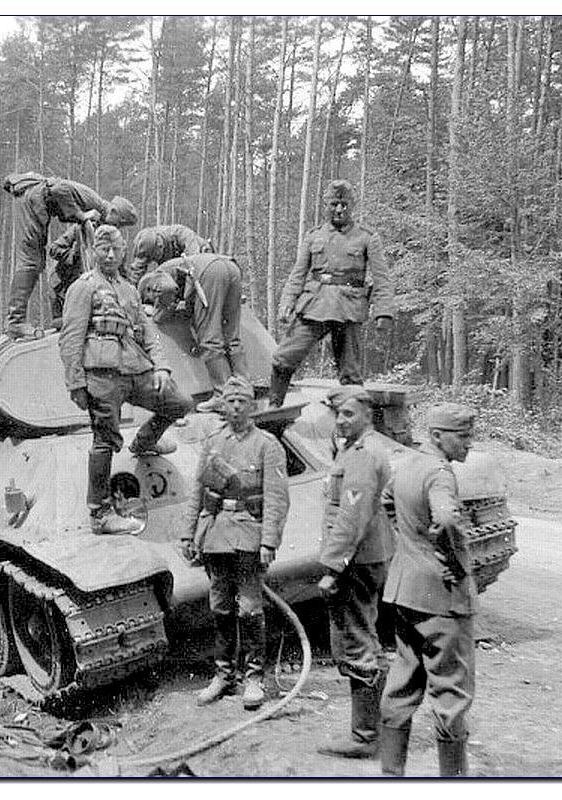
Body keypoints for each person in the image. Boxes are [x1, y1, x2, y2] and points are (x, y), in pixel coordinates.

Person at [59, 224, 192, 535]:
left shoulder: (129, 289)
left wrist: (161, 367)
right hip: (101, 374)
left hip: (135, 368)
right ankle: (100, 514)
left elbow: (148, 332)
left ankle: (145, 442)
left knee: (179, 403)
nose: (110, 255)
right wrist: (76, 383)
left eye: (116, 250)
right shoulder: (83, 287)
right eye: (104, 249)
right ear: (94, 252)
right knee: (104, 440)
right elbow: (71, 338)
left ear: (123, 253)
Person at [379, 403, 479, 776]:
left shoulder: (407, 463)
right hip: (441, 597)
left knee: (402, 683)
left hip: (405, 590)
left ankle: (392, 776)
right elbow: (448, 520)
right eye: (462, 436)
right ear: (437, 436)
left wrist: (412, 545)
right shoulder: (439, 473)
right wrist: (455, 563)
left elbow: (387, 501)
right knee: (451, 693)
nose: (469, 443)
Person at [179, 375, 289, 710]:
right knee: (220, 607)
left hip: (249, 535)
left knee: (250, 608)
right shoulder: (214, 442)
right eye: (231, 401)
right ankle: (224, 675)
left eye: (243, 402)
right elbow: (198, 491)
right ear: (223, 407)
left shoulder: (267, 444)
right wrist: (188, 534)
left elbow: (277, 498)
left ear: (252, 406)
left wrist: (269, 542)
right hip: (215, 535)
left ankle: (254, 678)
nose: (237, 407)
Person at [314, 386, 394, 759]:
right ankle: (378, 727)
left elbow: (351, 517)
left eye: (348, 413)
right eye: (338, 414)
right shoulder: (356, 448)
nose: (341, 420)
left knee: (356, 641)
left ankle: (365, 738)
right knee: (365, 638)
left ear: (367, 415)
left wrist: (333, 568)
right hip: (366, 556)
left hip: (356, 561)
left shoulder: (362, 455)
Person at [269, 179, 394, 406]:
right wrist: (287, 302)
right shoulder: (313, 236)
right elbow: (298, 273)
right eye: (334, 204)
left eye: (344, 205)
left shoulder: (367, 237)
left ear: (352, 206)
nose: (339, 210)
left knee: (351, 373)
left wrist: (383, 312)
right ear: (326, 205)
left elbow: (382, 278)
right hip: (314, 305)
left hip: (349, 308)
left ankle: (354, 417)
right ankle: (273, 407)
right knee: (283, 358)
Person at [2, 172, 136, 338]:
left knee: (36, 261)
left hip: (35, 199)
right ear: (114, 212)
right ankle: (15, 321)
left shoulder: (97, 219)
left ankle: (16, 320)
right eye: (120, 223)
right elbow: (59, 189)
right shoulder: (94, 203)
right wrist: (81, 216)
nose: (117, 228)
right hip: (33, 197)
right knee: (30, 261)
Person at [138, 252, 246, 413]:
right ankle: (244, 391)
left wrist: (157, 313)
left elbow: (166, 288)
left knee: (210, 338)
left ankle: (223, 396)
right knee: (232, 337)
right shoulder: (174, 270)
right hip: (230, 266)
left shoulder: (156, 277)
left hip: (208, 274)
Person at [126, 223, 209, 285]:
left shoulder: (181, 234)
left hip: (204, 264)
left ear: (160, 245)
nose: (156, 259)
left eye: (157, 255)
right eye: (154, 257)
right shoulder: (146, 242)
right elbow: (137, 271)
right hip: (179, 271)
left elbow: (195, 261)